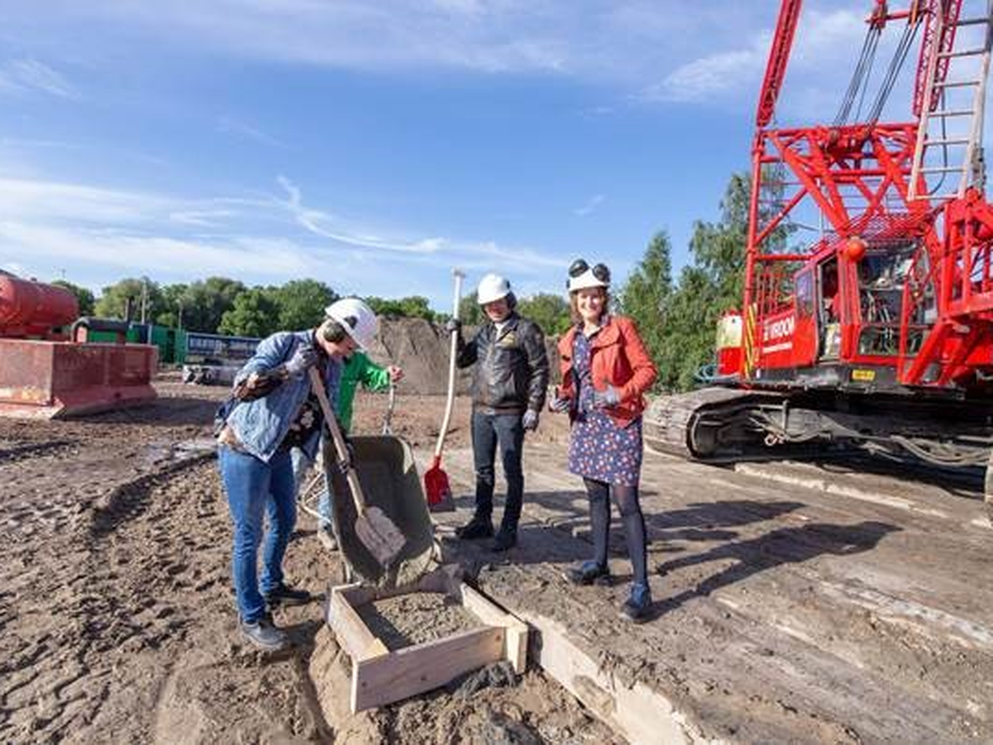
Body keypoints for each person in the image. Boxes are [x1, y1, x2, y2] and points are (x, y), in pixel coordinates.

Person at [216, 297, 379, 651]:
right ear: (334, 328)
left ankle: (272, 586)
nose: (347, 353)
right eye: (347, 345)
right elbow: (242, 388)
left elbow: (329, 413)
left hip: (278, 454)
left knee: (286, 519)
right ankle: (251, 615)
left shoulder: (333, 366)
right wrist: (287, 371)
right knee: (249, 534)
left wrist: (342, 447)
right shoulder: (284, 343)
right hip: (244, 449)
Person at [550, 259, 658, 622]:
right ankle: (599, 562)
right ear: (575, 299)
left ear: (604, 298)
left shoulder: (622, 328)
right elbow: (573, 382)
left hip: (620, 423)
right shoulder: (570, 338)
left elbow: (647, 370)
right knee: (595, 496)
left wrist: (619, 394)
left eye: (595, 296)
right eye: (583, 296)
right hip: (586, 425)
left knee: (626, 501)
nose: (589, 302)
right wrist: (561, 397)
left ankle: (641, 587)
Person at [448, 273, 549, 551]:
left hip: (510, 413)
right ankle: (482, 520)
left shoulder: (526, 329)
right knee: (483, 470)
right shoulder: (484, 332)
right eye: (489, 303)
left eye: (498, 301)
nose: (494, 307)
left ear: (509, 299)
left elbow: (540, 369)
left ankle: (509, 528)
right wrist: (455, 337)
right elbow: (461, 361)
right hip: (480, 410)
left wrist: (534, 407)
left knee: (511, 472)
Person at [293, 351, 404, 551]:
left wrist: (387, 375)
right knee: (293, 472)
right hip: (304, 426)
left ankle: (325, 525)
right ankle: (284, 523)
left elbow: (372, 375)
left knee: (332, 476)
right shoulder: (315, 354)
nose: (350, 346)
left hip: (336, 429)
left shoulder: (356, 360)